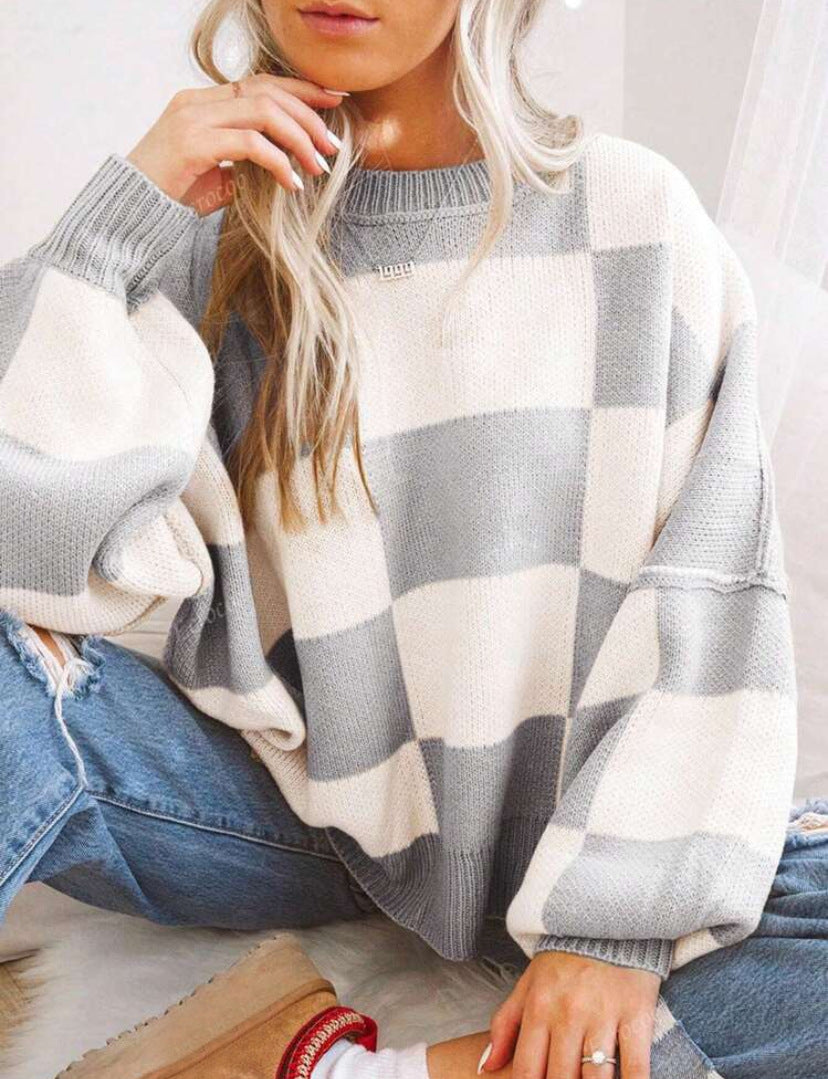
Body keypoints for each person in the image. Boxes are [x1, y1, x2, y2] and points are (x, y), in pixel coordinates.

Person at [1, 1, 826, 1077]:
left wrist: (611, 927)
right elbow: (29, 548)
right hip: (298, 822)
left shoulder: (634, 216)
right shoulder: (211, 234)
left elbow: (714, 593)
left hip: (581, 826)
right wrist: (110, 230)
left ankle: (348, 1070)